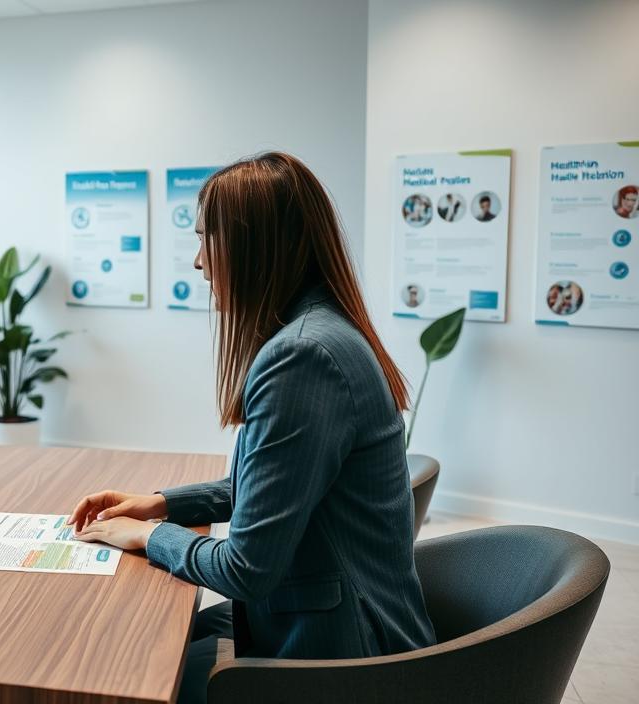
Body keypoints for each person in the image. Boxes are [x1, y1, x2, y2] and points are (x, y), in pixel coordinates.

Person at [69, 152, 436, 704]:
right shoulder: (320, 333)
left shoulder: (302, 357)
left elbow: (246, 569)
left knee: (123, 666)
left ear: (253, 247)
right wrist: (162, 504)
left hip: (339, 658)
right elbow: (277, 486)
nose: (197, 262)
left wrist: (149, 537)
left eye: (204, 240)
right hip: (330, 622)